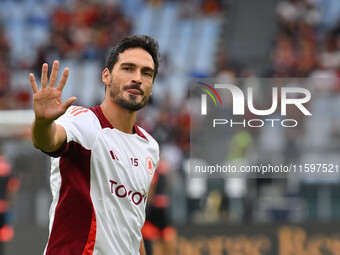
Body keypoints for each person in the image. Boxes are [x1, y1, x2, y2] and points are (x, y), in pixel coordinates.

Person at [29, 35, 161, 255]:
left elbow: (132, 224)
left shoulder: (149, 146)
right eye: (128, 68)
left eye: (146, 73)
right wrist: (43, 122)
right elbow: (47, 140)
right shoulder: (84, 122)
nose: (137, 78)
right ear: (106, 76)